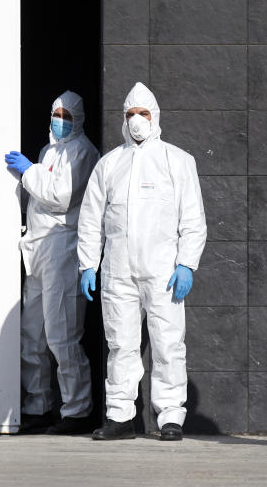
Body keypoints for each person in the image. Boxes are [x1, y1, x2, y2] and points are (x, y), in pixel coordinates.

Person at [76, 82, 206, 441]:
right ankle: (120, 416)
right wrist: (88, 263)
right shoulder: (109, 164)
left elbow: (192, 219)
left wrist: (187, 264)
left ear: (155, 117)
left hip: (164, 272)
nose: (136, 121)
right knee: (121, 345)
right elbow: (90, 218)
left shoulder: (177, 161)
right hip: (118, 272)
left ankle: (170, 417)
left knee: (167, 344)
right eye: (131, 114)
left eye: (143, 114)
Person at [5, 90, 100, 434]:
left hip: (63, 248)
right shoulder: (49, 151)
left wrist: (28, 171)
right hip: (38, 250)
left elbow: (61, 197)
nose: (60, 121)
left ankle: (76, 411)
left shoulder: (83, 152)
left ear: (79, 119)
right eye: (56, 114)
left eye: (67, 115)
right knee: (32, 336)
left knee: (62, 335)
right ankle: (38, 406)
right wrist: (28, 174)